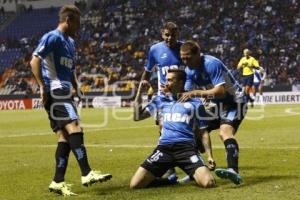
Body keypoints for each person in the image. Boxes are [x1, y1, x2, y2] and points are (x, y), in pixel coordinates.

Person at [30, 5, 112, 196]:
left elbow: (71, 69)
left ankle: (58, 181)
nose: (79, 27)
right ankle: (87, 172)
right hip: (55, 90)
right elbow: (34, 60)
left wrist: (77, 88)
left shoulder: (71, 43)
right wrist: (42, 86)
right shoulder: (52, 37)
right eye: (78, 23)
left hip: (65, 91)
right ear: (68, 20)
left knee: (64, 137)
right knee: (75, 127)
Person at [130, 69, 216, 189]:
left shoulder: (195, 103)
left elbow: (203, 132)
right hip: (164, 149)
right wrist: (140, 92)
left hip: (186, 148)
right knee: (135, 184)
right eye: (166, 79)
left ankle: (195, 170)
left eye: (170, 80)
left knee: (209, 183)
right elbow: (137, 116)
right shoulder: (160, 100)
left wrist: (209, 156)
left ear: (180, 82)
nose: (166, 82)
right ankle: (169, 182)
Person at [179, 40, 247, 185]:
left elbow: (221, 91)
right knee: (195, 131)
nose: (185, 61)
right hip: (217, 105)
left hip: (235, 102)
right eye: (182, 58)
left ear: (198, 54)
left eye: (188, 57)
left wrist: (196, 93)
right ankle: (196, 172)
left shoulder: (211, 63)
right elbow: (187, 92)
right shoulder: (188, 70)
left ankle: (233, 171)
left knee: (225, 132)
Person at [135, 21, 183, 177]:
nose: (169, 38)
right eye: (167, 35)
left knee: (189, 131)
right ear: (162, 34)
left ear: (178, 34)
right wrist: (143, 82)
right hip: (163, 97)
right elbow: (148, 71)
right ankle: (171, 170)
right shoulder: (155, 49)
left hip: (182, 97)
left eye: (173, 35)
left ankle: (191, 161)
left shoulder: (184, 48)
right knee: (163, 129)